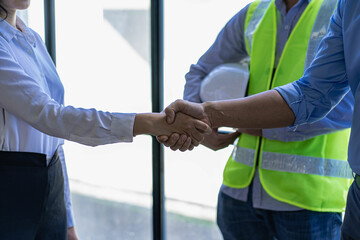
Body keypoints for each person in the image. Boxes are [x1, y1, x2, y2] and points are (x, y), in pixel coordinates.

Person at [0, 1, 211, 239]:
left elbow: (54, 139)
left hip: (52, 183)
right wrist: (152, 123)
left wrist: (67, 218)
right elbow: (50, 116)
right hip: (10, 185)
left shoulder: (31, 38)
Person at [164, 0, 360, 239]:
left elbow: (346, 106)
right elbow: (201, 70)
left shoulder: (336, 7)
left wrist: (265, 128)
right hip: (239, 190)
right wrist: (200, 124)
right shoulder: (255, 12)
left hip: (307, 199)